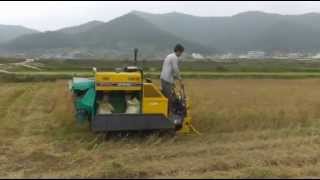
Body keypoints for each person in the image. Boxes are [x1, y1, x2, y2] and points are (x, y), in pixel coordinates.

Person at [160, 44, 184, 114]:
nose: (181, 54)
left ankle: (168, 112)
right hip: (166, 80)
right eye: (181, 52)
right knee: (169, 99)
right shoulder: (174, 57)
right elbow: (175, 69)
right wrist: (180, 80)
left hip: (164, 79)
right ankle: (170, 114)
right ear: (178, 51)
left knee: (168, 97)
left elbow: (170, 71)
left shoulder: (170, 56)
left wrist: (172, 82)